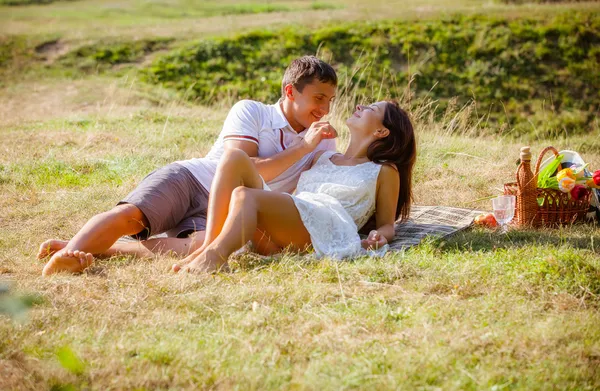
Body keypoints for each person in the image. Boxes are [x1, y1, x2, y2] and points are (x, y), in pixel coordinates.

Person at [38, 56, 338, 276]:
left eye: (330, 101)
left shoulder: (323, 140)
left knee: (195, 248)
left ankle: (95, 247)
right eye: (318, 98)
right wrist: (304, 147)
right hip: (194, 180)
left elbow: (314, 193)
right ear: (290, 92)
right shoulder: (252, 111)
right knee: (132, 217)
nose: (324, 109)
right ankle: (68, 255)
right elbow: (246, 166)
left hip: (232, 208)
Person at [169, 100, 416, 273]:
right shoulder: (323, 157)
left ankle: (216, 257)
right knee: (234, 158)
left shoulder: (383, 170)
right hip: (289, 225)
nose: (360, 106)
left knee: (245, 196)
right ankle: (207, 249)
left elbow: (386, 224)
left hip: (324, 230)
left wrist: (380, 236)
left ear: (382, 131)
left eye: (371, 108)